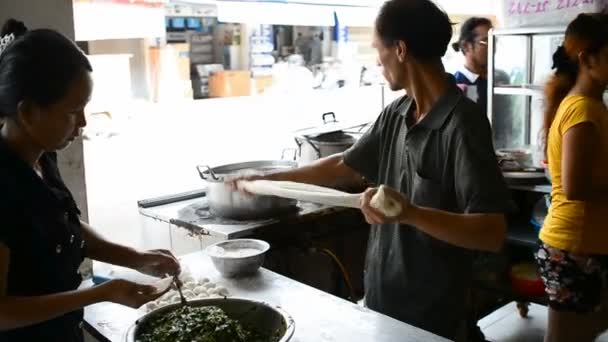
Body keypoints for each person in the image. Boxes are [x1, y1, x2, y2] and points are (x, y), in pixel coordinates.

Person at [231, 0, 508, 340]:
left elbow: (491, 231)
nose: (377, 61)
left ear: (401, 49)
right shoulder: (397, 112)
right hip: (383, 301)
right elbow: (345, 165)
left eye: (379, 49)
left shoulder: (463, 124)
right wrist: (269, 180)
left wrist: (409, 213)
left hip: (434, 316)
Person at [0, 19, 181, 342]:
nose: (83, 123)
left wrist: (135, 258)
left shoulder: (41, 155)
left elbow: (64, 225)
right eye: (73, 111)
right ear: (27, 113)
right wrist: (98, 294)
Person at [536, 13, 608, 342]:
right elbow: (576, 185)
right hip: (574, 247)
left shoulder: (589, 105)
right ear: (587, 58)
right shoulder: (582, 110)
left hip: (582, 245)